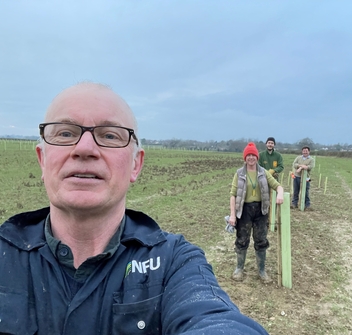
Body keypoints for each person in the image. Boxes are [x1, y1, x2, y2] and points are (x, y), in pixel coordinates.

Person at [0, 83, 269, 335]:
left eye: (109, 135)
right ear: (42, 159)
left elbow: (215, 319)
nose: (84, 148)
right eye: (66, 133)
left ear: (135, 165)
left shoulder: (174, 263)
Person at [228, 142, 284, 283]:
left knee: (261, 241)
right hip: (244, 211)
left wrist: (280, 194)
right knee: (242, 240)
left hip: (261, 211)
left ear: (257, 157)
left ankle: (262, 271)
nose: (251, 158)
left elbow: (278, 186)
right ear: (245, 157)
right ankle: (239, 268)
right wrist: (233, 215)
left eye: (253, 155)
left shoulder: (263, 172)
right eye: (248, 155)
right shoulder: (239, 173)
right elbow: (233, 195)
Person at [291, 146, 315, 210]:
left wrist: (301, 167)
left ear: (309, 152)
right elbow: (294, 164)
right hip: (296, 176)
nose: (305, 152)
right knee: (296, 191)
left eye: (306, 151)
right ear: (302, 151)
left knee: (306, 191)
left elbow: (309, 167)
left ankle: (307, 205)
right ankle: (294, 204)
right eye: (304, 151)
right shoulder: (298, 158)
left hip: (306, 178)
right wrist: (301, 166)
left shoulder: (311, 160)